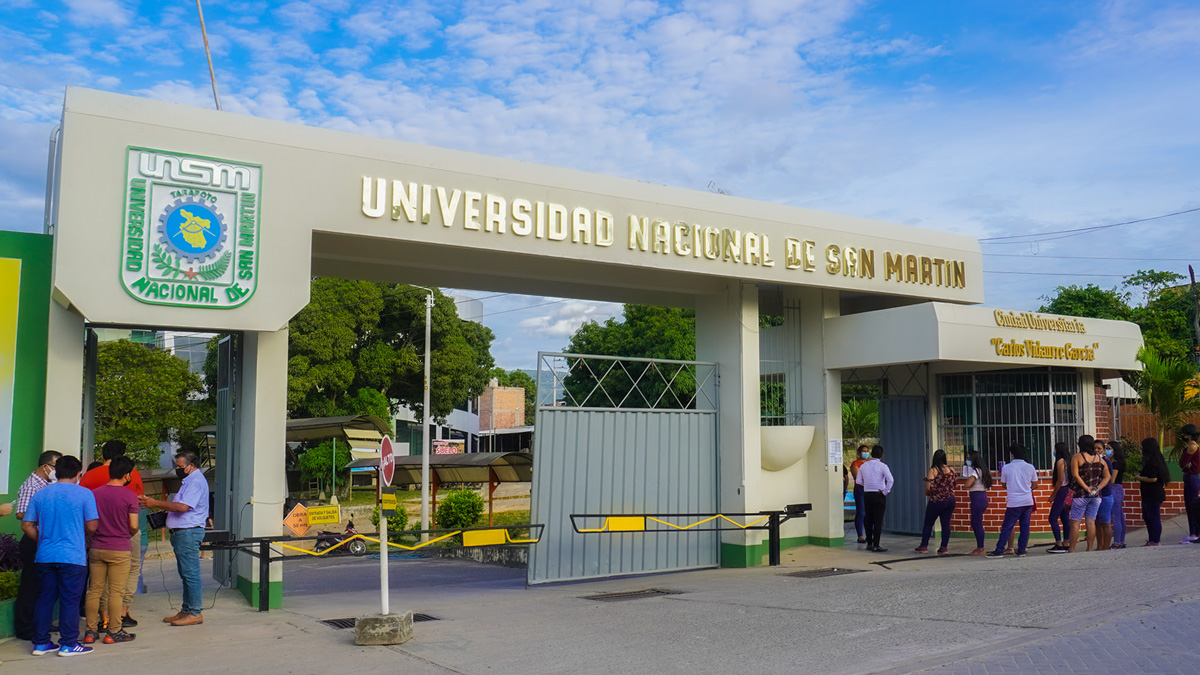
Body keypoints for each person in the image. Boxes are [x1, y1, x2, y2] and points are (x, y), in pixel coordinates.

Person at [20, 455, 99, 657]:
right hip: (73, 555)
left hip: (45, 555)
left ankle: (40, 643)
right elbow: (92, 525)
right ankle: (69, 644)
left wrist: (44, 540)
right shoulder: (85, 494)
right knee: (70, 600)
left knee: (45, 598)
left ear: (55, 472)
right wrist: (79, 533)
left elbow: (26, 525)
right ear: (78, 473)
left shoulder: (41, 494)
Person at [80, 439, 145, 630]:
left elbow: (82, 504)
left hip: (97, 536)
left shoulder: (90, 477)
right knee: (130, 571)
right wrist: (128, 532)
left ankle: (100, 620)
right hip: (123, 536)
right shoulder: (132, 475)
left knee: (96, 586)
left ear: (102, 456)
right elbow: (139, 502)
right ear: (123, 457)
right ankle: (122, 614)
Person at [139, 451, 209, 626]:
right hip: (182, 532)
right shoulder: (189, 481)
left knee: (190, 574)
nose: (177, 469)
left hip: (188, 532)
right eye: (176, 466)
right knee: (185, 574)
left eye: (180, 466)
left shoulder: (196, 482)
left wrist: (155, 503)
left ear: (191, 466)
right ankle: (187, 609)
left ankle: (194, 612)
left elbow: (182, 507)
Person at [12, 450, 62, 641]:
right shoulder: (32, 485)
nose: (57, 472)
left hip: (44, 539)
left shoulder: (47, 485)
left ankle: (40, 622)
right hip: (33, 539)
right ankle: (24, 628)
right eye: (56, 467)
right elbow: (20, 513)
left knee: (44, 586)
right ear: (46, 467)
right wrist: (44, 515)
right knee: (30, 586)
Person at [987, 443, 1038, 558]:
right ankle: (1021, 549)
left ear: (1012, 454)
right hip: (1027, 501)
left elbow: (1004, 484)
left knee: (1007, 526)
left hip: (1014, 502)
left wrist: (1013, 487)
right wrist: (1025, 489)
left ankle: (999, 549)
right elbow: (1035, 485)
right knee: (1025, 526)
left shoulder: (1007, 467)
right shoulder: (1030, 467)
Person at [1067, 435, 1109, 553]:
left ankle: (1072, 549)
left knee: (1075, 522)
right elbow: (1107, 477)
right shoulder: (1100, 459)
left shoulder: (1077, 457)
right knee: (1091, 522)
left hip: (1080, 494)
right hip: (1096, 496)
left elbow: (1075, 475)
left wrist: (1086, 488)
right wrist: (1097, 488)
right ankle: (1089, 548)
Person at [915, 450, 957, 555]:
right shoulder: (951, 469)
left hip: (937, 501)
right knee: (946, 524)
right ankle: (944, 547)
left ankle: (923, 546)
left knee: (928, 523)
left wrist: (927, 492)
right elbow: (954, 484)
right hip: (950, 499)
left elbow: (929, 487)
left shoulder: (933, 470)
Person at [855, 445, 893, 553]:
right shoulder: (883, 466)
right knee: (878, 521)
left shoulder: (863, 466)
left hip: (867, 494)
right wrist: (885, 491)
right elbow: (890, 480)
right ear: (882, 455)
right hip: (879, 494)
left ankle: (869, 543)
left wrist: (867, 485)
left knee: (868, 519)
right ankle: (876, 544)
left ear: (871, 454)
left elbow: (858, 481)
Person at [1136, 437, 1170, 546]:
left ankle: (1155, 540)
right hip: (1149, 493)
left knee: (1154, 517)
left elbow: (1153, 478)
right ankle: (1151, 539)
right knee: (1148, 517)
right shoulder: (1156, 460)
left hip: (1153, 493)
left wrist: (1139, 477)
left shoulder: (1153, 461)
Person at [962, 450, 991, 555]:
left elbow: (967, 484)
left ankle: (980, 547)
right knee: (975, 522)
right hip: (981, 497)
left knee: (976, 523)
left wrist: (969, 476)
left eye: (969, 458)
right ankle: (980, 546)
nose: (967, 460)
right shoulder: (982, 470)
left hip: (977, 498)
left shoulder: (976, 471)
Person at [1046, 442, 1073, 553]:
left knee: (1052, 518)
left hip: (1062, 490)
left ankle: (1058, 543)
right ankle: (1066, 542)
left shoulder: (1060, 462)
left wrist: (1053, 495)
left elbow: (1060, 480)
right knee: (1065, 517)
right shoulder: (1070, 461)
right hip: (1069, 490)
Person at [1179, 424, 1200, 543]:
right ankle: (1193, 532)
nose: (1183, 436)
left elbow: (1182, 462)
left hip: (1191, 477)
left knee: (1192, 506)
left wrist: (1186, 465)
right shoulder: (1191, 446)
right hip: (1189, 477)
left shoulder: (1192, 447)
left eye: (1185, 434)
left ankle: (1195, 532)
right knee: (1189, 506)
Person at [1094, 438, 1115, 551]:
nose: (1097, 450)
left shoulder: (1106, 462)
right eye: (1095, 448)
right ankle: (1099, 546)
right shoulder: (1092, 461)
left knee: (1105, 523)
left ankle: (1105, 547)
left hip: (1105, 495)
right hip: (1095, 496)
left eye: (1099, 448)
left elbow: (1109, 479)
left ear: (1103, 450)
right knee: (1097, 523)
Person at [1108, 440, 1127, 549]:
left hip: (1114, 489)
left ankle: (1117, 542)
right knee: (1120, 516)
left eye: (1109, 448)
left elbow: (1112, 480)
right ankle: (1122, 541)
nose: (1107, 451)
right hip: (1119, 489)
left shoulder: (1115, 464)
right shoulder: (1118, 462)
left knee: (1116, 517)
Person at [849, 445, 870, 544]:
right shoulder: (855, 463)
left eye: (867, 451)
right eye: (863, 451)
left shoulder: (870, 463)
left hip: (869, 490)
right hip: (860, 489)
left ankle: (870, 534)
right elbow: (857, 478)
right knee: (861, 512)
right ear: (859, 453)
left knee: (869, 513)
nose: (866, 453)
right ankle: (860, 535)